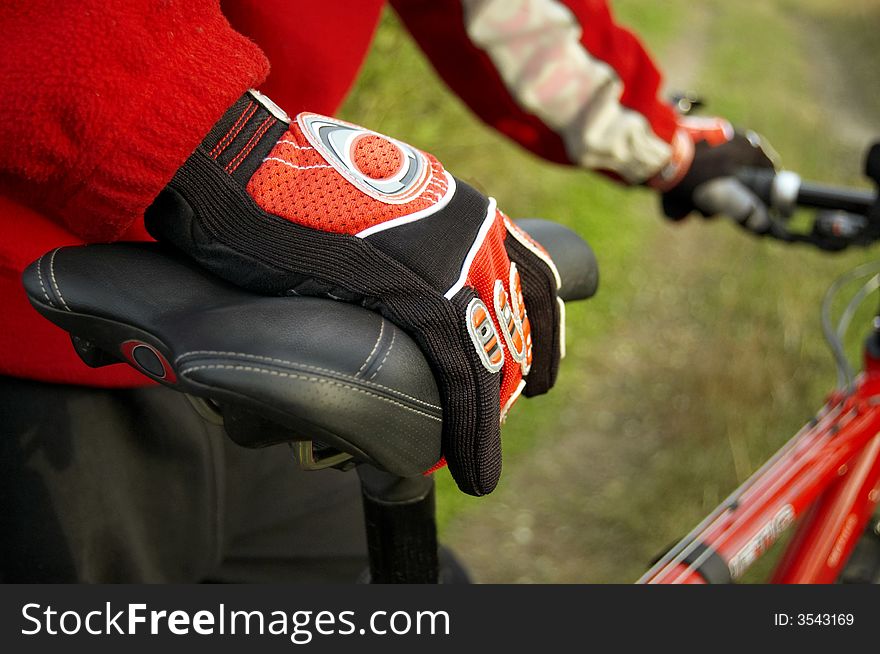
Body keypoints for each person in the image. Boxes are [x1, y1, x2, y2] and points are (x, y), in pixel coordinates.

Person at [0, 0, 774, 582]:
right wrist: (225, 153)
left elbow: (504, 13)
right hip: (33, 337)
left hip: (268, 335)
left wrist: (670, 148)